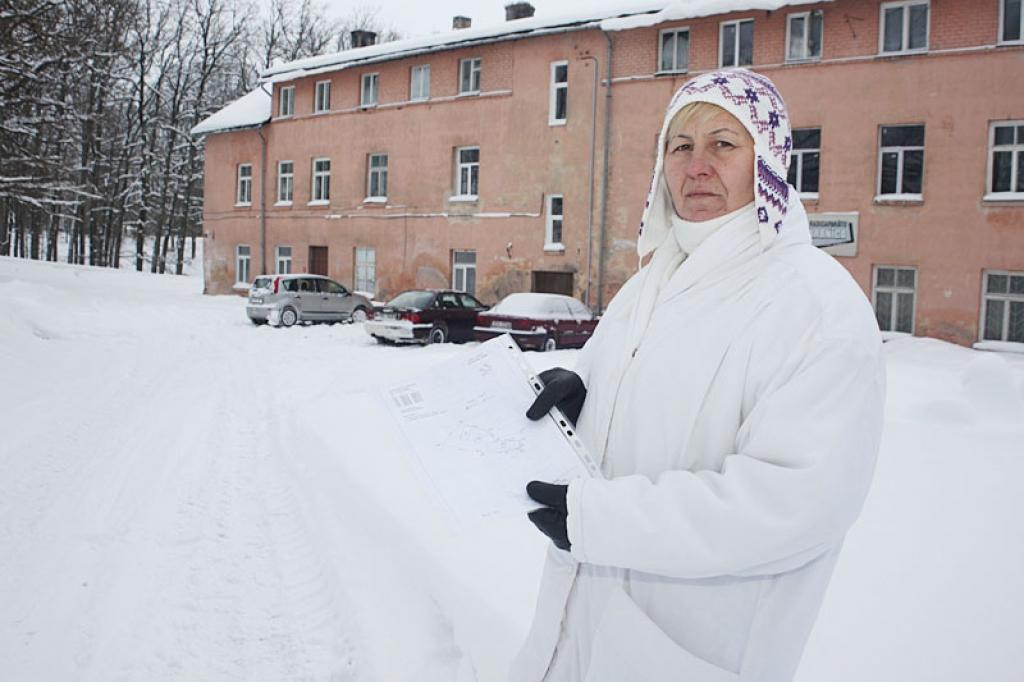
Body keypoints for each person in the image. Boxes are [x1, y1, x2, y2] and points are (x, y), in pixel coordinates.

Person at [511, 69, 886, 682]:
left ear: (767, 161)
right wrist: (583, 402)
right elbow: (644, 413)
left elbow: (790, 504)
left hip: (692, 652)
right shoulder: (649, 286)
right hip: (573, 636)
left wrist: (601, 521)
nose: (696, 165)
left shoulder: (814, 306)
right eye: (679, 147)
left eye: (723, 144)